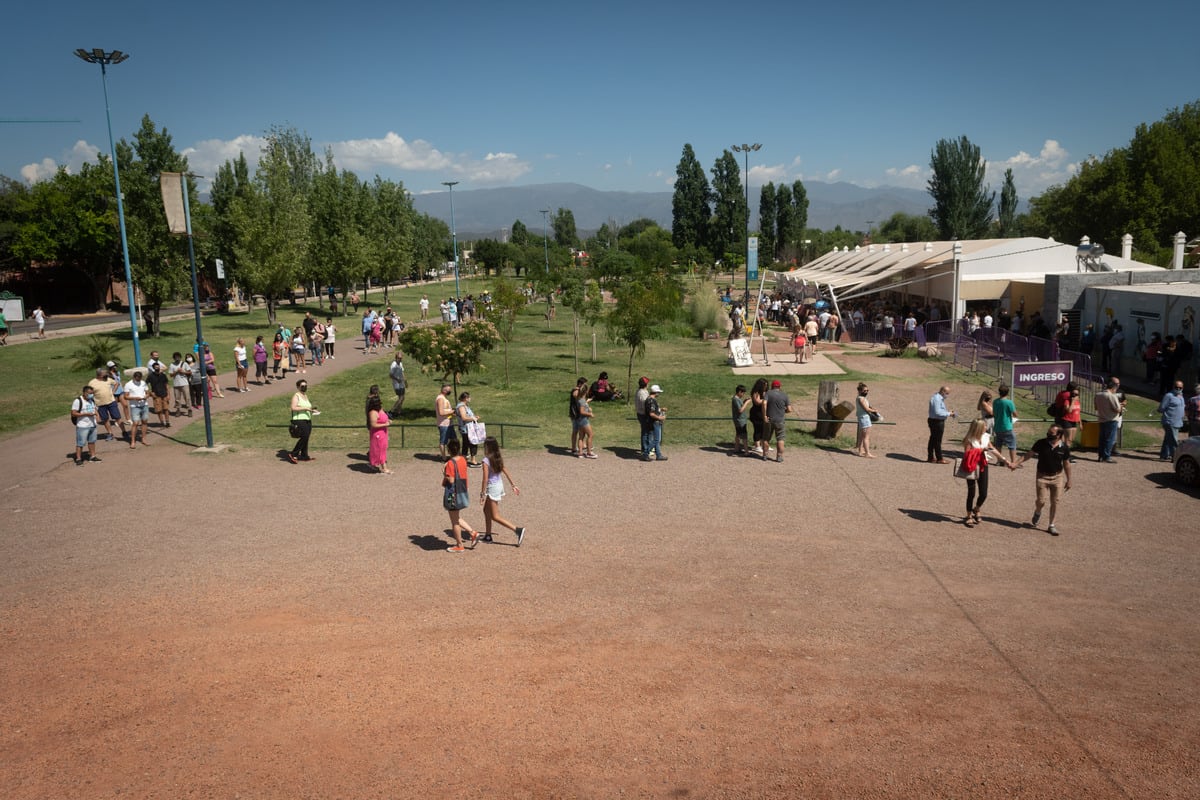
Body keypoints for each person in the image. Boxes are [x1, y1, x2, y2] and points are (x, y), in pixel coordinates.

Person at [1014, 424, 1072, 536]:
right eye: (1048, 433)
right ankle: (1038, 511)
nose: (1048, 435)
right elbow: (1028, 455)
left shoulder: (1064, 448)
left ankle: (1051, 525)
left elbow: (1066, 464)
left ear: (1059, 435)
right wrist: (1016, 463)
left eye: (1051, 434)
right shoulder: (1041, 443)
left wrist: (1069, 480)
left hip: (1057, 477)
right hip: (1042, 476)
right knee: (1041, 501)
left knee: (1055, 501)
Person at [959, 418, 1014, 527]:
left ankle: (977, 508)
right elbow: (967, 454)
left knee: (984, 493)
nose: (986, 427)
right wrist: (980, 450)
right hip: (972, 467)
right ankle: (969, 515)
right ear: (978, 427)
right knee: (972, 493)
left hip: (983, 465)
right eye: (984, 426)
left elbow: (992, 449)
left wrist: (1004, 460)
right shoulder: (969, 439)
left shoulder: (985, 437)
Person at [479, 437, 526, 546]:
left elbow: (485, 479)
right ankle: (488, 535)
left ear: (487, 447)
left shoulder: (486, 460)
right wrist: (513, 484)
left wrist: (482, 494)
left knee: (495, 516)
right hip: (499, 485)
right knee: (486, 510)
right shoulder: (497, 457)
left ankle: (517, 530)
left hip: (493, 487)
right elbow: (505, 470)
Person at [442, 439, 479, 552]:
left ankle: (459, 545)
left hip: (452, 494)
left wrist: (444, 474)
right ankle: (473, 533)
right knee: (456, 516)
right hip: (462, 490)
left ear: (449, 450)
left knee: (454, 521)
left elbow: (451, 480)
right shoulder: (463, 460)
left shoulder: (449, 463)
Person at [1094, 377, 1125, 462]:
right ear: (1113, 388)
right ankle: (1106, 456)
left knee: (1102, 439)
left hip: (1101, 419)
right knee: (1110, 439)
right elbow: (1117, 409)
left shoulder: (1098, 394)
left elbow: (1096, 407)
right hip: (1111, 419)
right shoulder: (1111, 396)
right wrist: (1121, 406)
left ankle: (1100, 456)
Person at [286, 379, 317, 464]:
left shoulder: (305, 396)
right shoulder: (296, 396)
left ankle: (304, 455)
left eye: (306, 386)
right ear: (298, 387)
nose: (304, 387)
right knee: (304, 436)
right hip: (299, 420)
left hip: (307, 419)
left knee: (306, 437)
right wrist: (306, 408)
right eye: (302, 386)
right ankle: (293, 453)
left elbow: (307, 407)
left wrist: (311, 410)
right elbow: (293, 407)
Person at [88, 366, 121, 442]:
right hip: (100, 404)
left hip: (111, 401)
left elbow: (117, 383)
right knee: (105, 419)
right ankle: (110, 433)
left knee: (117, 417)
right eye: (105, 373)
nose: (106, 374)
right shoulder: (92, 383)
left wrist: (113, 391)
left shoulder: (108, 379)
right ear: (100, 375)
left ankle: (124, 431)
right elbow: (89, 393)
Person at [764, 379, 793, 462]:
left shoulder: (768, 393)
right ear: (780, 387)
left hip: (769, 419)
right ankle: (779, 456)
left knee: (766, 438)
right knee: (780, 439)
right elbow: (790, 409)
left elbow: (764, 403)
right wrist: (784, 411)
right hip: (780, 420)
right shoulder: (784, 395)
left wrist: (765, 414)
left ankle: (765, 455)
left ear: (772, 386)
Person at [70, 384, 100, 465]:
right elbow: (73, 413)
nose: (91, 395)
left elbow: (95, 409)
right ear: (84, 393)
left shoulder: (91, 400)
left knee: (92, 441)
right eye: (89, 393)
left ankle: (92, 456)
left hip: (92, 425)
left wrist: (97, 416)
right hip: (82, 426)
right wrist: (85, 414)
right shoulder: (78, 401)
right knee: (80, 443)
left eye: (92, 393)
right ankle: (78, 458)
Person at [1158, 380, 1186, 461]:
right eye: (1176, 387)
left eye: (1180, 387)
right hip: (1170, 421)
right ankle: (1176, 457)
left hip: (1178, 422)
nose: (1178, 389)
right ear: (1173, 387)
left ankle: (1164, 455)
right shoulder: (1169, 396)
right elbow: (1161, 408)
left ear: (1182, 388)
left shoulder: (1181, 396)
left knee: (1168, 439)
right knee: (1174, 440)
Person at [927, 385, 956, 463]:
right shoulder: (937, 399)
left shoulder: (938, 398)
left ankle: (931, 457)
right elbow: (938, 412)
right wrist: (949, 413)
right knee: (937, 440)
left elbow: (939, 410)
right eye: (947, 393)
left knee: (933, 439)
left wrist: (947, 412)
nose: (947, 395)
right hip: (936, 422)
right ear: (943, 391)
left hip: (935, 421)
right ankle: (939, 458)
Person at [1053, 382, 1082, 458]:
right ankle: (1063, 454)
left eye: (1077, 394)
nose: (1076, 396)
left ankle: (1061, 452)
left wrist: (1080, 422)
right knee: (1065, 439)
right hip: (1064, 418)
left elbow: (1078, 412)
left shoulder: (1063, 393)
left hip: (1067, 418)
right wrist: (1072, 401)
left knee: (1067, 439)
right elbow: (1068, 409)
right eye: (1075, 393)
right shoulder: (1067, 396)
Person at [125, 370, 151, 449]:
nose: (139, 380)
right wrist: (134, 398)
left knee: (144, 421)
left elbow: (147, 392)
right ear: (134, 377)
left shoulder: (143, 383)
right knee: (135, 423)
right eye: (137, 379)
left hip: (144, 404)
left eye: (140, 378)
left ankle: (144, 438)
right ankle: (133, 441)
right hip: (134, 406)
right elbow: (126, 396)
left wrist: (146, 396)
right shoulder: (128, 384)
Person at [991, 384, 1018, 463]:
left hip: (997, 426)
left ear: (999, 392)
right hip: (1007, 427)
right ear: (1007, 393)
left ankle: (999, 460)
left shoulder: (995, 401)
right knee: (1012, 445)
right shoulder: (1009, 402)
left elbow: (994, 413)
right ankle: (1013, 462)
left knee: (998, 444)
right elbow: (1015, 414)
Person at [366, 394, 392, 474]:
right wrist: (385, 424)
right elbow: (373, 425)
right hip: (377, 434)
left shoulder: (380, 409)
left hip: (383, 432)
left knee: (382, 449)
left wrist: (388, 421)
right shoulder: (373, 412)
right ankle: (384, 467)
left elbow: (384, 417)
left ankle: (373, 464)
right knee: (380, 449)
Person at [456, 391, 482, 466]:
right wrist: (473, 418)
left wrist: (474, 417)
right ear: (465, 398)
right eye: (469, 397)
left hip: (468, 428)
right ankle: (473, 461)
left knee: (466, 444)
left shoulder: (465, 406)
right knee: (472, 443)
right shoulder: (461, 406)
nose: (470, 399)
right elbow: (464, 417)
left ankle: (464, 460)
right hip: (466, 428)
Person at [642, 385, 667, 461]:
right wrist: (660, 418)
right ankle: (646, 453)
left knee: (656, 439)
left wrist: (661, 409)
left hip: (652, 422)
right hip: (654, 422)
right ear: (655, 392)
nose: (659, 393)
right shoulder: (651, 401)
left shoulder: (649, 399)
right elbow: (652, 414)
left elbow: (653, 410)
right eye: (658, 392)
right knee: (656, 440)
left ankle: (658, 455)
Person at [855, 382, 878, 458]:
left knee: (862, 436)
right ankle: (867, 453)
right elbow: (866, 409)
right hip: (864, 418)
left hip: (863, 418)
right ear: (860, 391)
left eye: (867, 390)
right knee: (866, 437)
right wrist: (874, 411)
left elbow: (867, 407)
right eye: (865, 391)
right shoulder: (861, 399)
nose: (866, 392)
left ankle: (861, 450)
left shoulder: (861, 398)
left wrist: (872, 409)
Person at [575, 383, 597, 459]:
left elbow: (583, 407)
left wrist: (587, 406)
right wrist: (589, 414)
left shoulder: (581, 399)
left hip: (580, 420)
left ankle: (580, 453)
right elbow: (582, 411)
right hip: (584, 420)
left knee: (581, 436)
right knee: (591, 435)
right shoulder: (582, 401)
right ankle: (589, 452)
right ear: (586, 391)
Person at [749, 378, 769, 457]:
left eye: (766, 386)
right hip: (756, 413)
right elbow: (757, 402)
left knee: (764, 429)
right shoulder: (755, 392)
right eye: (764, 385)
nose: (766, 387)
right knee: (757, 429)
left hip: (763, 413)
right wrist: (765, 399)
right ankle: (757, 445)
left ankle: (763, 444)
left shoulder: (765, 392)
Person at [147, 362, 171, 427]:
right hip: (156, 395)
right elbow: (145, 384)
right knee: (159, 410)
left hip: (164, 394)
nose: (157, 368)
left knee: (166, 409)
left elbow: (166, 384)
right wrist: (150, 392)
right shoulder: (151, 376)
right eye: (156, 367)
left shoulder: (163, 375)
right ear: (153, 368)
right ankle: (162, 422)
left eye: (158, 366)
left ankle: (167, 422)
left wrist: (168, 394)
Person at [435, 383, 455, 459]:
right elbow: (441, 412)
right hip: (443, 424)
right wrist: (452, 411)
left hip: (449, 423)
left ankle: (454, 455)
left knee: (453, 440)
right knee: (443, 441)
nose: (450, 391)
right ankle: (444, 457)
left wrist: (452, 413)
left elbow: (446, 410)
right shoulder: (440, 399)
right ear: (444, 390)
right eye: (449, 390)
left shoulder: (444, 398)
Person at [634, 376, 652, 457]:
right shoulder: (642, 393)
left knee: (646, 431)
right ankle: (645, 449)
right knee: (645, 432)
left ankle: (646, 447)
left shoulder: (642, 391)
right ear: (646, 384)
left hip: (641, 413)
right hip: (643, 414)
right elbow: (645, 405)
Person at [731, 384, 751, 455]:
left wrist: (744, 401)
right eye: (743, 392)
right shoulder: (735, 399)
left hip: (738, 420)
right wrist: (746, 403)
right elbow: (740, 410)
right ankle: (746, 451)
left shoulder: (737, 399)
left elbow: (739, 406)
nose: (743, 394)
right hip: (740, 421)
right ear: (739, 392)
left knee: (738, 434)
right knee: (744, 435)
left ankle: (736, 448)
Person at [388, 352, 407, 416]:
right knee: (401, 398)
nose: (400, 359)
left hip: (401, 383)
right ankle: (391, 411)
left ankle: (399, 412)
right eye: (399, 358)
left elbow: (402, 372)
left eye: (401, 358)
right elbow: (390, 375)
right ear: (396, 358)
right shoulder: (394, 365)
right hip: (396, 384)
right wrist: (397, 379)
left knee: (402, 398)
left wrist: (405, 381)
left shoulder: (400, 364)